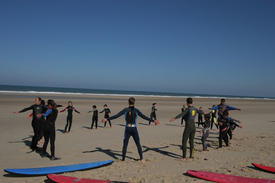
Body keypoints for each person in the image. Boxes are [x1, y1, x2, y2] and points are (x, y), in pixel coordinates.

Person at [102, 97, 160, 163]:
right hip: (134, 129)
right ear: (134, 102)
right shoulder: (136, 110)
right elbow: (144, 117)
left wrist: (107, 119)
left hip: (127, 129)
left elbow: (116, 116)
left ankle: (123, 159)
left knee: (125, 144)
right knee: (138, 144)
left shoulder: (125, 110)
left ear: (128, 102)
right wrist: (153, 120)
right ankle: (141, 159)